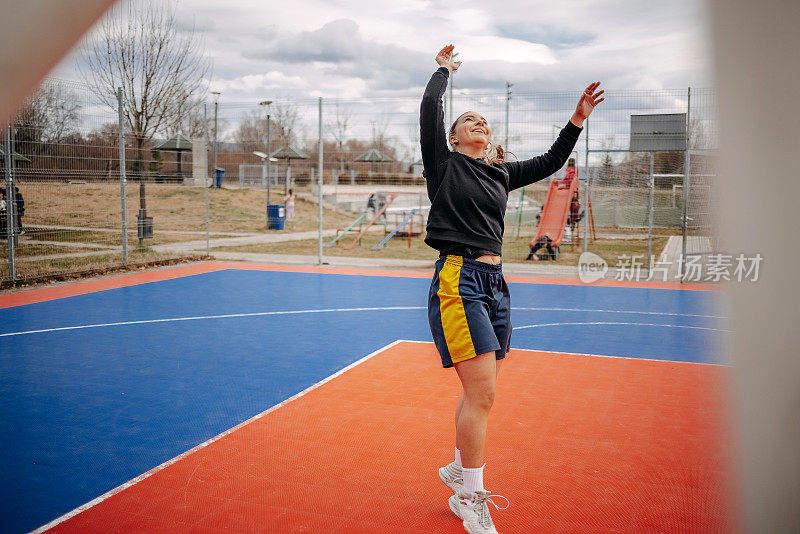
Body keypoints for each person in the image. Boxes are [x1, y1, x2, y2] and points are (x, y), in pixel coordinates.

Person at [422, 44, 603, 533]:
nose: (479, 122)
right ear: (455, 137)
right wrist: (442, 73)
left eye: (483, 120)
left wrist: (577, 119)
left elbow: (549, 162)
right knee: (482, 393)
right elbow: (429, 113)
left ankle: (461, 470)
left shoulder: (499, 172)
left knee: (482, 391)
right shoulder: (444, 165)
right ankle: (470, 496)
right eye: (469, 120)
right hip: (459, 279)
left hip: (495, 283)